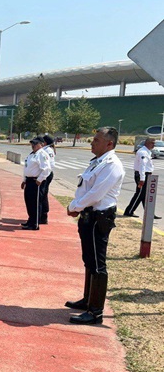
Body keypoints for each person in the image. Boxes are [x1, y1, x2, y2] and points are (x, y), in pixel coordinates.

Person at [66, 128, 125, 325]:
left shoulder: (112, 165)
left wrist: (74, 206)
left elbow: (96, 194)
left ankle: (95, 312)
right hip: (89, 216)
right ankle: (87, 300)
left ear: (109, 144)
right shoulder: (98, 162)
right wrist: (78, 207)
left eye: (97, 140)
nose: (92, 142)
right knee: (89, 260)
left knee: (98, 264)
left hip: (99, 217)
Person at [124, 138, 160, 219]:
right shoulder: (143, 152)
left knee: (144, 195)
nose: (154, 145)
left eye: (154, 143)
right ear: (147, 143)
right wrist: (142, 179)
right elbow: (142, 166)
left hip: (146, 175)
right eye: (152, 143)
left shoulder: (147, 152)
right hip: (142, 176)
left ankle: (149, 213)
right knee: (139, 194)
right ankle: (129, 211)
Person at [21, 138, 50, 230]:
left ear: (41, 144)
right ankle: (31, 220)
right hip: (29, 181)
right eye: (32, 143)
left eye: (35, 143)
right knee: (29, 202)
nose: (33, 145)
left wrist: (39, 180)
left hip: (35, 181)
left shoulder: (42, 154)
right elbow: (27, 168)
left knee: (35, 203)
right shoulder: (32, 154)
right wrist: (24, 180)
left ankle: (35, 224)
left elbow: (47, 169)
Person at [40, 134, 56, 224]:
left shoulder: (48, 150)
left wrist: (43, 176)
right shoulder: (46, 149)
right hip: (46, 174)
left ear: (45, 142)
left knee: (43, 195)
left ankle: (43, 216)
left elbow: (49, 165)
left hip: (46, 174)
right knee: (43, 194)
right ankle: (42, 215)